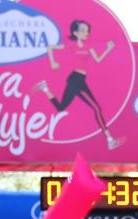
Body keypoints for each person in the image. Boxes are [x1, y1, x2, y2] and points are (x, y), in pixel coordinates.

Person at [35, 19, 123, 150]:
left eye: (87, 30)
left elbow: (98, 59)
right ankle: (110, 139)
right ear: (75, 33)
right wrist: (53, 63)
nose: (85, 33)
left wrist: (108, 49)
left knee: (61, 107)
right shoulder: (72, 45)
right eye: (82, 30)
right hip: (75, 80)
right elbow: (50, 48)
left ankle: (44, 88)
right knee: (97, 108)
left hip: (79, 79)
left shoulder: (89, 46)